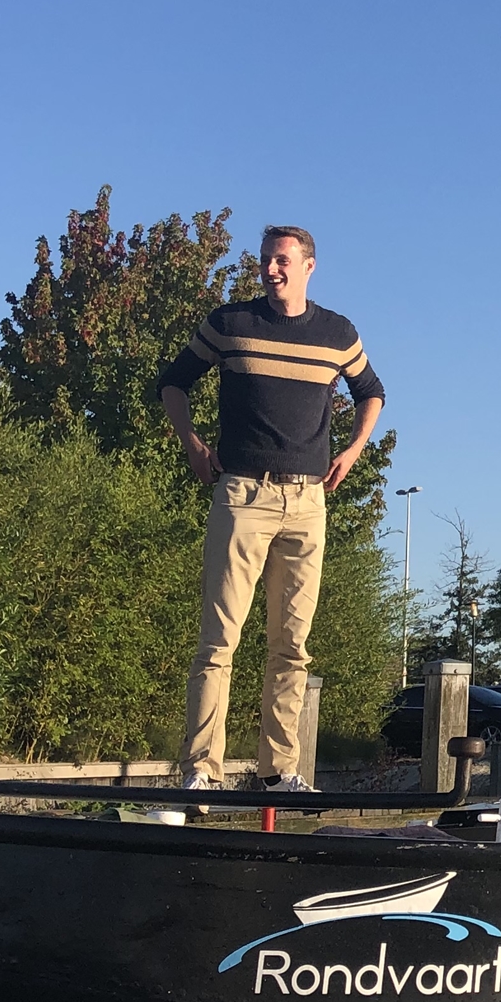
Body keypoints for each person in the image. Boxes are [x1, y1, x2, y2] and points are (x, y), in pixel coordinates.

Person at [158, 225, 384, 796]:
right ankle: (201, 772)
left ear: (309, 266)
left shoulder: (338, 333)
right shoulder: (230, 323)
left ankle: (279, 772)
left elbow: (371, 391)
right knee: (219, 641)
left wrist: (353, 450)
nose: (270, 269)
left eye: (281, 260)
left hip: (308, 502)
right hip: (242, 495)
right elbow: (174, 382)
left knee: (292, 646)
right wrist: (192, 443)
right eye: (264, 260)